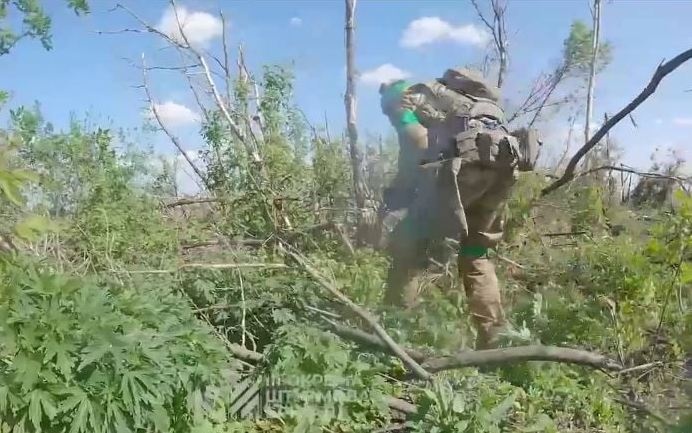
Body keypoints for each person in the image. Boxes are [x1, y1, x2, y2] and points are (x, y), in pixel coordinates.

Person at [380, 67, 540, 349]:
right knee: (476, 253)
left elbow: (415, 148)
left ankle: (396, 334)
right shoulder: (465, 101)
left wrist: (396, 201)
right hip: (503, 170)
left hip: (464, 171)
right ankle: (495, 339)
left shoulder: (407, 102)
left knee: (410, 248)